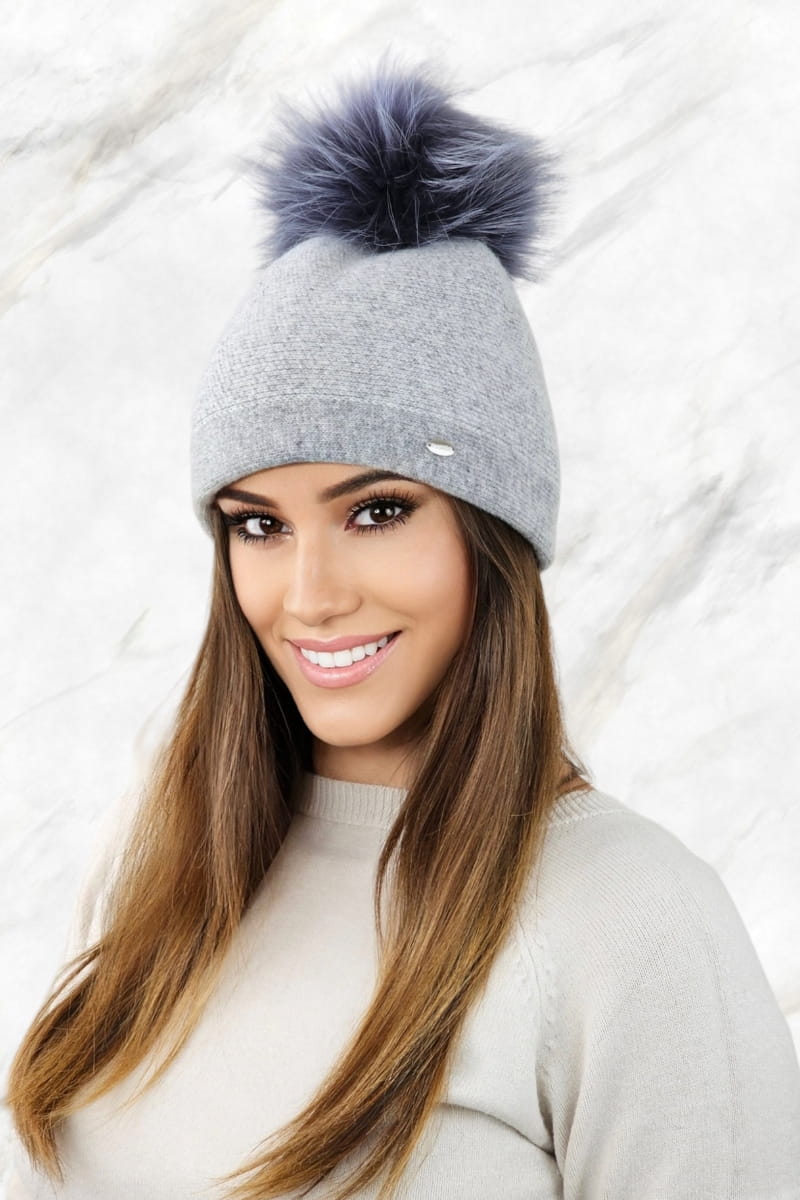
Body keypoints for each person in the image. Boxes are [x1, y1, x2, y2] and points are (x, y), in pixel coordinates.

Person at [5, 58, 800, 1200]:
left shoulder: (632, 918)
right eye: (258, 524)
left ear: (491, 532)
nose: (309, 593)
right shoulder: (172, 868)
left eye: (377, 511)